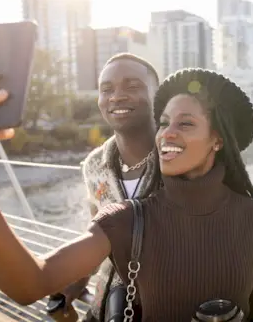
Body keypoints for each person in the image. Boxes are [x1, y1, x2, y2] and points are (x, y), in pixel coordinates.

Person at [0, 68, 253, 321]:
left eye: (185, 123)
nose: (166, 134)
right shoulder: (126, 219)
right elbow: (30, 283)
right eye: (164, 122)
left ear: (218, 140)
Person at [57, 53, 160, 321]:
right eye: (107, 89)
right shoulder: (94, 166)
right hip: (113, 302)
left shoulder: (180, 154)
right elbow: (98, 235)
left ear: (158, 95)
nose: (117, 96)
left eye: (132, 86)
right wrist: (77, 282)